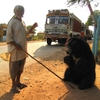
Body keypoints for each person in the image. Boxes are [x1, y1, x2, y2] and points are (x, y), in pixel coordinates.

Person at [6, 5, 38, 93]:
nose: (20, 12)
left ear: (23, 12)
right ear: (15, 12)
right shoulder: (12, 22)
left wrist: (33, 27)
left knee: (20, 68)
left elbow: (26, 34)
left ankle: (18, 82)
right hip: (15, 50)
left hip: (23, 50)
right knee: (14, 68)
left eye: (21, 11)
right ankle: (13, 86)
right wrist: (16, 45)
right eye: (18, 11)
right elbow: (9, 37)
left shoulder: (22, 22)